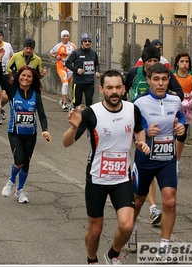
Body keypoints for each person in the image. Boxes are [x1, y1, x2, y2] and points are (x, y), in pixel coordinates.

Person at [62, 70, 150, 264]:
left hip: (122, 178)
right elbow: (66, 143)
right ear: (101, 89)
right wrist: (74, 127)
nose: (114, 91)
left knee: (127, 225)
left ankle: (112, 254)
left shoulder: (132, 109)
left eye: (118, 87)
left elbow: (139, 131)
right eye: (109, 87)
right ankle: (92, 259)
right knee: (95, 231)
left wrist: (141, 142)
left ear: (124, 89)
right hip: (97, 179)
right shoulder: (91, 113)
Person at [124, 39, 183, 236]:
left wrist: (180, 127)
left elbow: (180, 117)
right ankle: (131, 230)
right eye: (156, 79)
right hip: (145, 159)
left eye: (164, 79)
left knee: (170, 201)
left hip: (167, 159)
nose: (160, 83)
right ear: (148, 79)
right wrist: (144, 132)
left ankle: (165, 246)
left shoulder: (175, 100)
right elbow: (131, 128)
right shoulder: (139, 103)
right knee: (138, 200)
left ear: (169, 80)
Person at [0, 47, 51, 204]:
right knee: (19, 160)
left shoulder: (36, 94)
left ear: (33, 79)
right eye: (23, 75)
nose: (25, 78)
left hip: (31, 134)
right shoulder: (13, 90)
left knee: (26, 163)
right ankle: (11, 181)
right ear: (18, 77)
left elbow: (41, 114)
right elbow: (1, 79)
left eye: (29, 76)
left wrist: (45, 130)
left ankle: (20, 190)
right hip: (15, 132)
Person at [172, 52, 192, 173]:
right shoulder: (172, 75)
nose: (184, 64)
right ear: (177, 63)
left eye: (187, 62)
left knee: (182, 134)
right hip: (173, 106)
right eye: (182, 61)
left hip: (186, 108)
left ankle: (176, 161)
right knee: (170, 133)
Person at [65, 33, 100, 110]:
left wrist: (97, 71)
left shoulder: (93, 53)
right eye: (85, 41)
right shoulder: (76, 53)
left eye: (89, 41)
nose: (87, 43)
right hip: (79, 81)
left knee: (89, 101)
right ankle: (73, 108)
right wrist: (76, 70)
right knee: (77, 101)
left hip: (89, 82)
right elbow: (67, 63)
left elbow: (97, 64)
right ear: (82, 42)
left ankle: (87, 118)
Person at [50, 30, 77, 110]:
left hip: (70, 68)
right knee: (65, 84)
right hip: (61, 67)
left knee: (67, 84)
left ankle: (61, 100)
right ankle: (65, 103)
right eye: (64, 36)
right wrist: (56, 56)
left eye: (67, 36)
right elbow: (51, 53)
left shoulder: (72, 46)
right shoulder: (58, 46)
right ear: (61, 37)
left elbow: (78, 53)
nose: (66, 38)